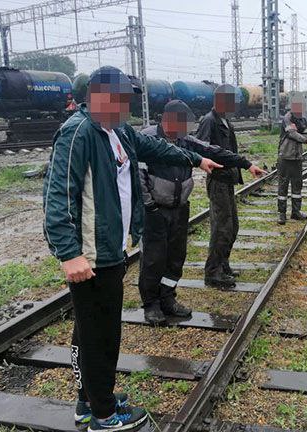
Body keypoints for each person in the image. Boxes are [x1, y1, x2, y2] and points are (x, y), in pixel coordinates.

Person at [43, 66, 222, 432]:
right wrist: (68, 253)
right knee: (100, 334)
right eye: (121, 96)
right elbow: (58, 196)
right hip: (90, 255)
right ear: (98, 95)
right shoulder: (78, 133)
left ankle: (90, 400)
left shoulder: (119, 131)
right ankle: (104, 416)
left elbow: (154, 146)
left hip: (111, 248)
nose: (127, 104)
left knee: (92, 330)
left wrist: (195, 159)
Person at [137, 100, 265, 324]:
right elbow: (138, 176)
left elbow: (212, 151)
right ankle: (151, 305)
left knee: (176, 258)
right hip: (155, 210)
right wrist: (150, 206)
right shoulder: (148, 139)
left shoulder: (184, 140)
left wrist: (246, 164)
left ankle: (168, 298)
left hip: (179, 208)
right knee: (153, 259)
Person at [195, 84, 249, 288]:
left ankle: (223, 264)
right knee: (221, 228)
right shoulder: (209, 121)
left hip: (228, 180)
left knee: (232, 226)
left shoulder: (225, 121)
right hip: (218, 180)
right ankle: (212, 273)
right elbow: (200, 147)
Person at [276, 97, 307, 225]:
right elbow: (292, 134)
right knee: (283, 186)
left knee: (297, 185)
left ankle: (296, 212)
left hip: (297, 158)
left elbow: (304, 134)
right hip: (285, 157)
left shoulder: (303, 121)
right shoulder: (287, 118)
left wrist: (303, 136)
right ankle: (282, 214)